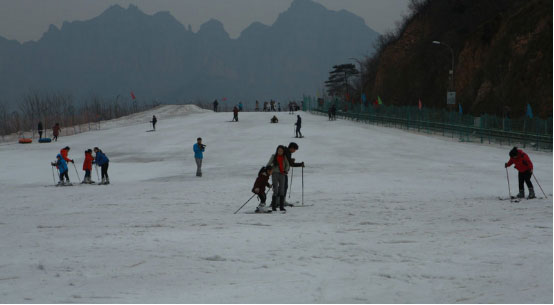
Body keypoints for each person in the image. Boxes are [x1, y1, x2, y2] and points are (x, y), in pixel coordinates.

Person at [266, 145, 290, 211]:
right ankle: (274, 206)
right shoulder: (274, 156)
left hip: (282, 174)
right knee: (275, 189)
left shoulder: (284, 157)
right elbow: (268, 164)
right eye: (279, 151)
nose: (280, 152)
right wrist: (270, 168)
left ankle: (281, 206)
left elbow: (287, 165)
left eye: (281, 151)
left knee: (282, 189)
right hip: (275, 174)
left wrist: (286, 170)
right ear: (277, 150)